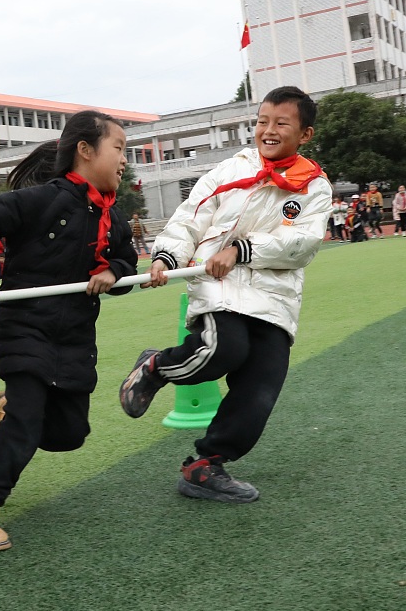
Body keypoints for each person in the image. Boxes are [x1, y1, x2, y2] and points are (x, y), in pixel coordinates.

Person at [118, 86, 331, 504]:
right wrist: (165, 255)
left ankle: (205, 466)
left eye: (281, 124)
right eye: (262, 121)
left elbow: (302, 243)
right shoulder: (229, 170)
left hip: (274, 296)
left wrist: (242, 250)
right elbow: (190, 218)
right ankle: (157, 367)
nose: (268, 131)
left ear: (304, 134)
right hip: (220, 285)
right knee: (223, 349)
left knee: (262, 385)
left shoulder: (314, 187)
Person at [0, 110, 137, 552]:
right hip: (24, 328)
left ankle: (10, 410)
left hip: (74, 337)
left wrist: (114, 272)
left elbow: (128, 265)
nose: (125, 161)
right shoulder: (41, 201)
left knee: (68, 435)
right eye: (119, 149)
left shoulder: (113, 218)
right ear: (86, 150)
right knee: (27, 419)